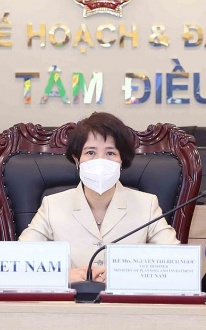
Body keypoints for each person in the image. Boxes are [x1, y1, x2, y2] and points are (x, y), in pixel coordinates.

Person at [19, 112, 179, 283]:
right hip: (72, 297)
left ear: (121, 161)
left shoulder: (147, 204)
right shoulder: (52, 205)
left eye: (110, 153)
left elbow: (175, 261)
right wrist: (63, 275)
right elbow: (19, 260)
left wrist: (126, 274)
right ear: (77, 160)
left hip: (123, 297)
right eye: (90, 152)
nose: (100, 161)